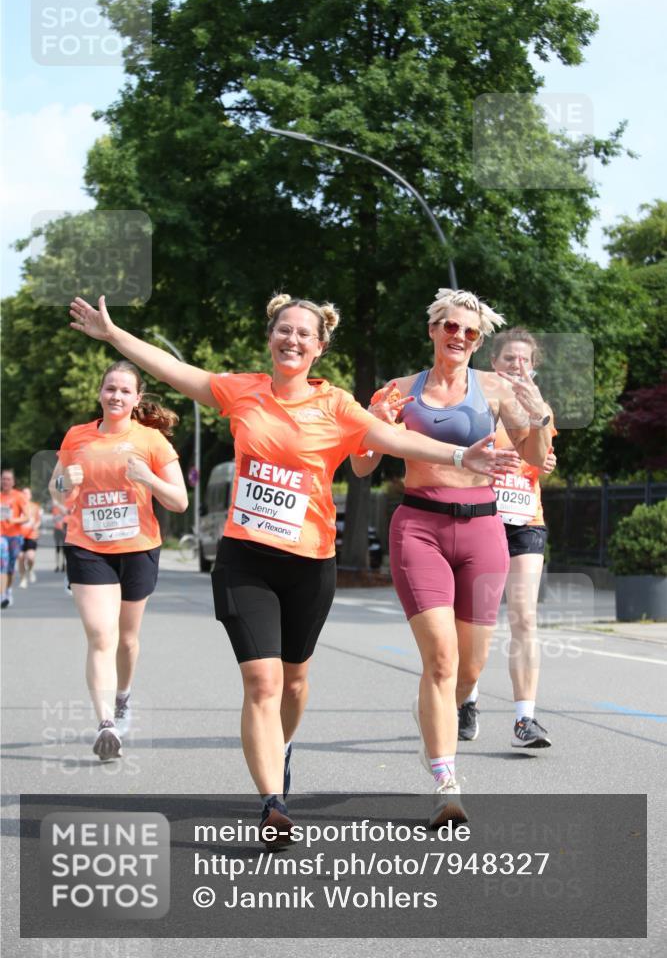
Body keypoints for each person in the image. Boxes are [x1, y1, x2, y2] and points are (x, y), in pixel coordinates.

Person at [68, 292, 521, 837]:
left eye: (305, 334)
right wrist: (114, 335)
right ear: (271, 337)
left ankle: (281, 748)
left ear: (320, 347)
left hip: (310, 561)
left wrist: (458, 456)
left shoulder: (336, 405)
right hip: (246, 558)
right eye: (284, 330)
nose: (293, 340)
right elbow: (175, 370)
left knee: (295, 680)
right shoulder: (242, 392)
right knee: (261, 682)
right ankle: (273, 804)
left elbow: (394, 437)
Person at [351, 290, 552, 827]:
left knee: (469, 666)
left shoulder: (493, 388)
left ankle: (451, 708)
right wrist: (375, 424)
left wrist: (538, 416)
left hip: (484, 530)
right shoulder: (398, 390)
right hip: (419, 526)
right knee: (439, 659)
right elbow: (363, 465)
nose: (459, 337)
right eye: (451, 327)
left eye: (470, 332)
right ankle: (447, 780)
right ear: (434, 330)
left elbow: (536, 460)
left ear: (477, 341)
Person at [49, 361, 188, 761]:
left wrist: (148, 478)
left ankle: (122, 697)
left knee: (126, 639)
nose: (116, 396)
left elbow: (179, 501)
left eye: (125, 391)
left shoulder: (152, 441)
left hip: (139, 547)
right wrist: (64, 482)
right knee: (101, 636)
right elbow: (57, 491)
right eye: (110, 388)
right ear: (100, 393)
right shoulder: (77, 437)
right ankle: (106, 723)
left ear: (137, 398)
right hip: (87, 546)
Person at [460, 328, 556, 750]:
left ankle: (525, 719)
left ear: (533, 367)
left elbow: (544, 457)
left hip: (524, 521)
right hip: (480, 518)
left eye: (524, 360)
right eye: (509, 359)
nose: (517, 366)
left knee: (523, 616)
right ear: (493, 364)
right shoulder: (476, 405)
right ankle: (468, 700)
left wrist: (544, 440)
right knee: (475, 621)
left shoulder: (541, 408)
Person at [1, 469, 29, 609]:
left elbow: (27, 516)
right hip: (1, 536)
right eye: (3, 479)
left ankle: (7, 590)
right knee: (2, 564)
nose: (5, 481)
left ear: (13, 481)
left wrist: (14, 520)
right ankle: (2, 595)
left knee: (10, 568)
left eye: (8, 479)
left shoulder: (18, 496)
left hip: (14, 536)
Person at [18, 487, 42, 588]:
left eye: (27, 493)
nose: (25, 495)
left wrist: (35, 526)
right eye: (23, 493)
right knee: (20, 557)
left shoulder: (35, 507)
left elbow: (39, 520)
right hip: (19, 535)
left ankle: (31, 569)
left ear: (30, 496)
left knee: (30, 557)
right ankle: (23, 579)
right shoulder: (18, 507)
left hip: (32, 535)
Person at [52, 501, 68, 573]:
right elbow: (54, 519)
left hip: (64, 530)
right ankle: (57, 565)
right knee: (57, 548)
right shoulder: (55, 508)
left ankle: (63, 564)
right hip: (57, 529)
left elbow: (66, 513)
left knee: (64, 549)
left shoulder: (65, 506)